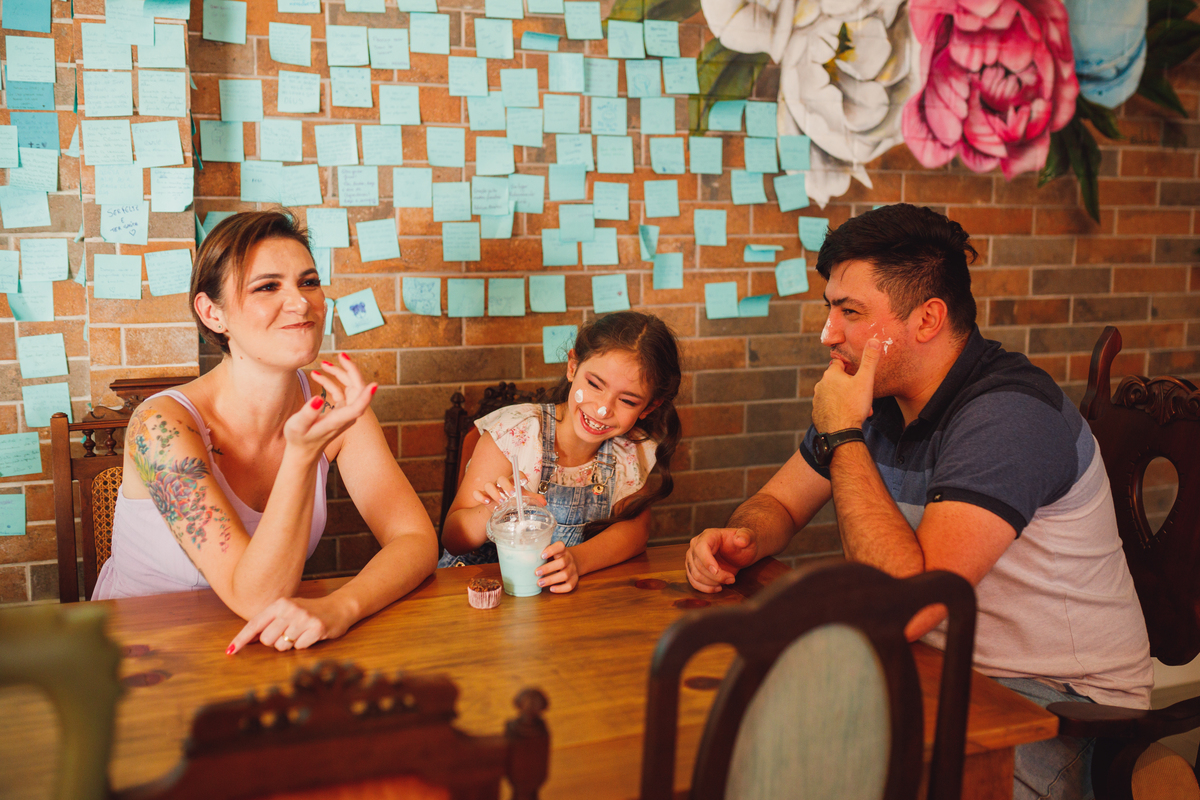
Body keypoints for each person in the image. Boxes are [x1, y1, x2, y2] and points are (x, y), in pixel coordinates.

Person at [684, 204, 1152, 800]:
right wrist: (741, 538)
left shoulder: (1008, 415)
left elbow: (910, 607)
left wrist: (844, 436)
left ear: (928, 318)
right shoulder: (874, 395)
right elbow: (778, 502)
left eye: (849, 312)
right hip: (931, 667)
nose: (827, 333)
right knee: (741, 738)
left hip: (1063, 706)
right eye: (830, 308)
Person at [94, 211, 439, 654]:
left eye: (309, 282)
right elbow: (255, 597)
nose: (300, 303)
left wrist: (341, 607)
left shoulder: (333, 404)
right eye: (268, 286)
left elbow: (415, 539)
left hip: (267, 648)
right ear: (212, 313)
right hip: (142, 654)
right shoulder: (160, 426)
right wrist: (301, 455)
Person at [440, 312, 682, 592]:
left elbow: (636, 531)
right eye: (594, 384)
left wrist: (576, 561)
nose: (603, 409)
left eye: (627, 400)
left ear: (649, 408)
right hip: (480, 589)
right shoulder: (515, 433)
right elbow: (452, 538)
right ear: (572, 366)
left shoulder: (627, 451)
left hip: (556, 603)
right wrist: (495, 510)